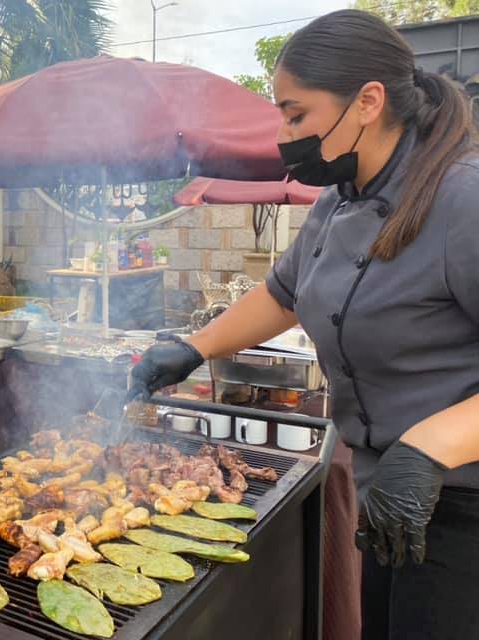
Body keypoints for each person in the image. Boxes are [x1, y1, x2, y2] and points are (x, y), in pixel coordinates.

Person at [130, 10, 479, 640]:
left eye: (296, 114)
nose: (285, 134)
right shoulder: (337, 200)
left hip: (462, 502)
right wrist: (190, 347)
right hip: (387, 492)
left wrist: (431, 450)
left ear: (368, 101)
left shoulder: (463, 198)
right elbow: (283, 294)